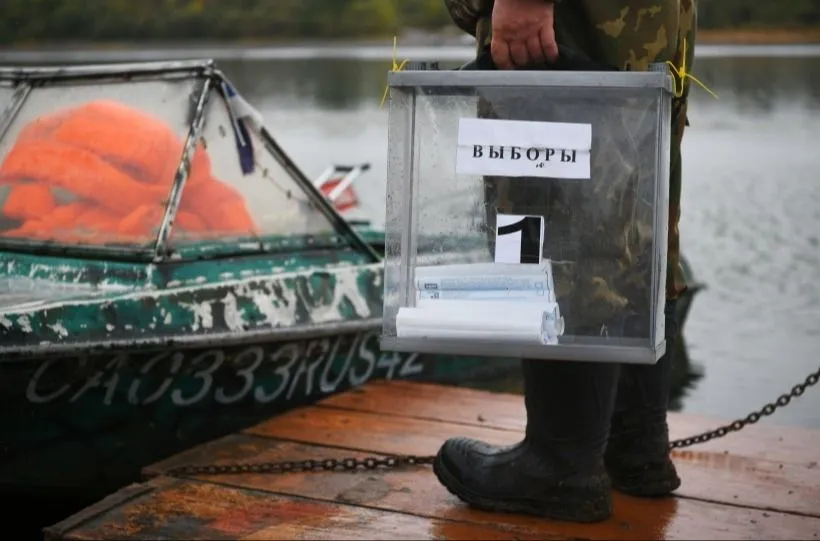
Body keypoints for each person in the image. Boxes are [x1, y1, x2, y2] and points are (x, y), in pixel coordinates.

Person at [433, 0, 696, 523]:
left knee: (554, 208)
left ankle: (562, 464)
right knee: (635, 203)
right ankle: (633, 446)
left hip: (572, 14)